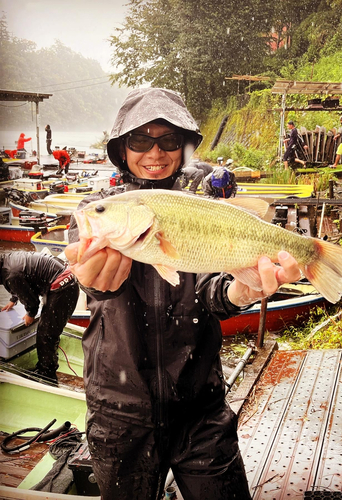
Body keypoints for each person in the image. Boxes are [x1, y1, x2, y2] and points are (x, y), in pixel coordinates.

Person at [64, 87, 302, 500]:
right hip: (119, 414)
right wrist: (91, 279)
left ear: (184, 147)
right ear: (121, 148)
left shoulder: (202, 209)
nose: (154, 153)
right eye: (140, 140)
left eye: (168, 141)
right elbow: (91, 278)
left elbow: (213, 291)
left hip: (201, 410)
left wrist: (242, 292)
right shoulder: (96, 211)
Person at [0, 251, 79, 384]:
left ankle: (46, 375)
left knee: (46, 335)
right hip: (66, 280)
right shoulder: (7, 262)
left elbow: (32, 301)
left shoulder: (10, 275)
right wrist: (14, 299)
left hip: (63, 288)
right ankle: (46, 368)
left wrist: (30, 314)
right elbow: (24, 279)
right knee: (48, 331)